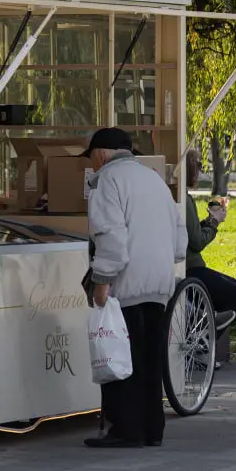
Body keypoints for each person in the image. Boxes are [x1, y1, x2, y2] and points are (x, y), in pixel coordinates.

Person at [82, 128, 187, 449]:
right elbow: (180, 242)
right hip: (159, 283)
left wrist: (102, 280)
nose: (92, 166)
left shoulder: (108, 183)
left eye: (91, 159)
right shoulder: (154, 180)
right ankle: (152, 429)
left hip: (127, 283)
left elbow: (111, 237)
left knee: (122, 359)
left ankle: (126, 429)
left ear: (101, 154)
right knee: (150, 359)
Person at [184, 149, 236, 347]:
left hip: (189, 267)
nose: (200, 170)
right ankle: (202, 339)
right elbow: (196, 242)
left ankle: (203, 336)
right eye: (198, 166)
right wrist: (214, 223)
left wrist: (209, 221)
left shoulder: (180, 196)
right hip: (191, 269)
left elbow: (192, 232)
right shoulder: (185, 199)